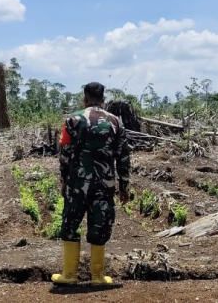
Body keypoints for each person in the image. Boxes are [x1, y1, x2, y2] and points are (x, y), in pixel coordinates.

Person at [52, 82, 131, 285]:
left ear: (85, 98)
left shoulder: (72, 120)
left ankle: (69, 275)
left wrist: (64, 180)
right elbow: (123, 156)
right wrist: (124, 186)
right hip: (104, 186)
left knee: (70, 225)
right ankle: (97, 277)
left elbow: (65, 155)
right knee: (100, 226)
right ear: (102, 99)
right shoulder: (116, 122)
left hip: (77, 184)